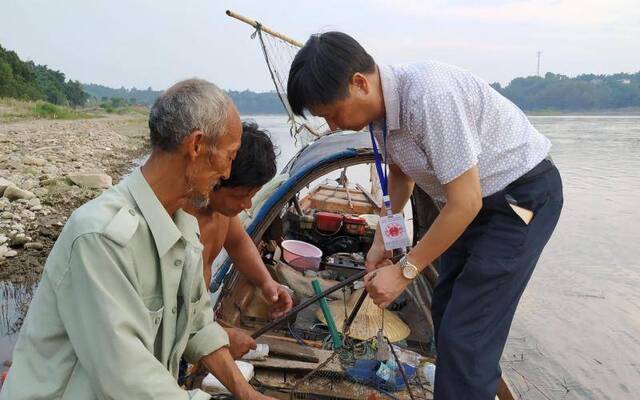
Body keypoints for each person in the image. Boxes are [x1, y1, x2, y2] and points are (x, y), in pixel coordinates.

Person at [287, 32, 563, 399]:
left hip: (519, 201)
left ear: (359, 83)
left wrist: (404, 272)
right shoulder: (381, 116)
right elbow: (402, 178)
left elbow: (464, 203)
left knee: (468, 333)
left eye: (333, 114)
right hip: (475, 203)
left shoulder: (429, 97)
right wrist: (379, 244)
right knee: (447, 309)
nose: (334, 126)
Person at [0, 79, 277, 400]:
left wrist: (248, 395)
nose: (228, 174)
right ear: (197, 145)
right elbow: (126, 378)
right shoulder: (102, 236)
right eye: (229, 156)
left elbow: (198, 327)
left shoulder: (183, 230)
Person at [185, 121, 293, 359]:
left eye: (252, 196)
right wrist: (219, 335)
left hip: (199, 322)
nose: (246, 206)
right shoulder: (179, 220)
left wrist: (267, 283)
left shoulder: (223, 212)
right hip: (181, 333)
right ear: (217, 177)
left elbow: (239, 244)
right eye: (240, 196)